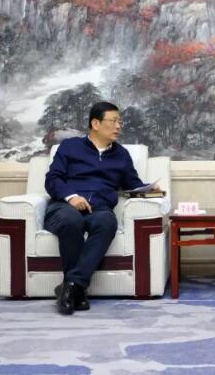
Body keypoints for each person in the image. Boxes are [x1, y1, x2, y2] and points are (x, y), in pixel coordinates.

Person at [44, 101, 156, 315]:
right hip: (64, 206)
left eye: (120, 122)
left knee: (107, 222)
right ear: (95, 123)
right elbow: (53, 179)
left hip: (99, 209)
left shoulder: (121, 154)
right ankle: (77, 290)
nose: (118, 126)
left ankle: (71, 286)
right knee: (71, 220)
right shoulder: (69, 147)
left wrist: (150, 189)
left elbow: (132, 184)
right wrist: (71, 197)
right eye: (113, 121)